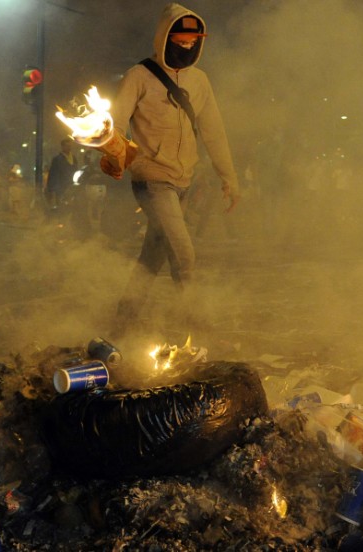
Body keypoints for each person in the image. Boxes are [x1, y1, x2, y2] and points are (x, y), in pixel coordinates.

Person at [104, 3, 240, 334]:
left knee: (152, 257)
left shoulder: (200, 81)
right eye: (180, 41)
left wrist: (229, 179)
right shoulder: (138, 76)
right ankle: (192, 321)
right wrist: (113, 157)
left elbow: (214, 132)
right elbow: (116, 126)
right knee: (184, 254)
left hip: (183, 182)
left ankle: (122, 320)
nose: (187, 46)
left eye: (193, 41)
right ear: (165, 38)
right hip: (152, 180)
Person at [45, 138, 77, 218]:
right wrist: (52, 187)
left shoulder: (73, 158)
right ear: (62, 147)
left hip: (71, 186)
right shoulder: (57, 159)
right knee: (61, 205)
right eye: (67, 146)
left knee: (72, 206)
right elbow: (53, 174)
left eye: (70, 146)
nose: (69, 148)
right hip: (61, 186)